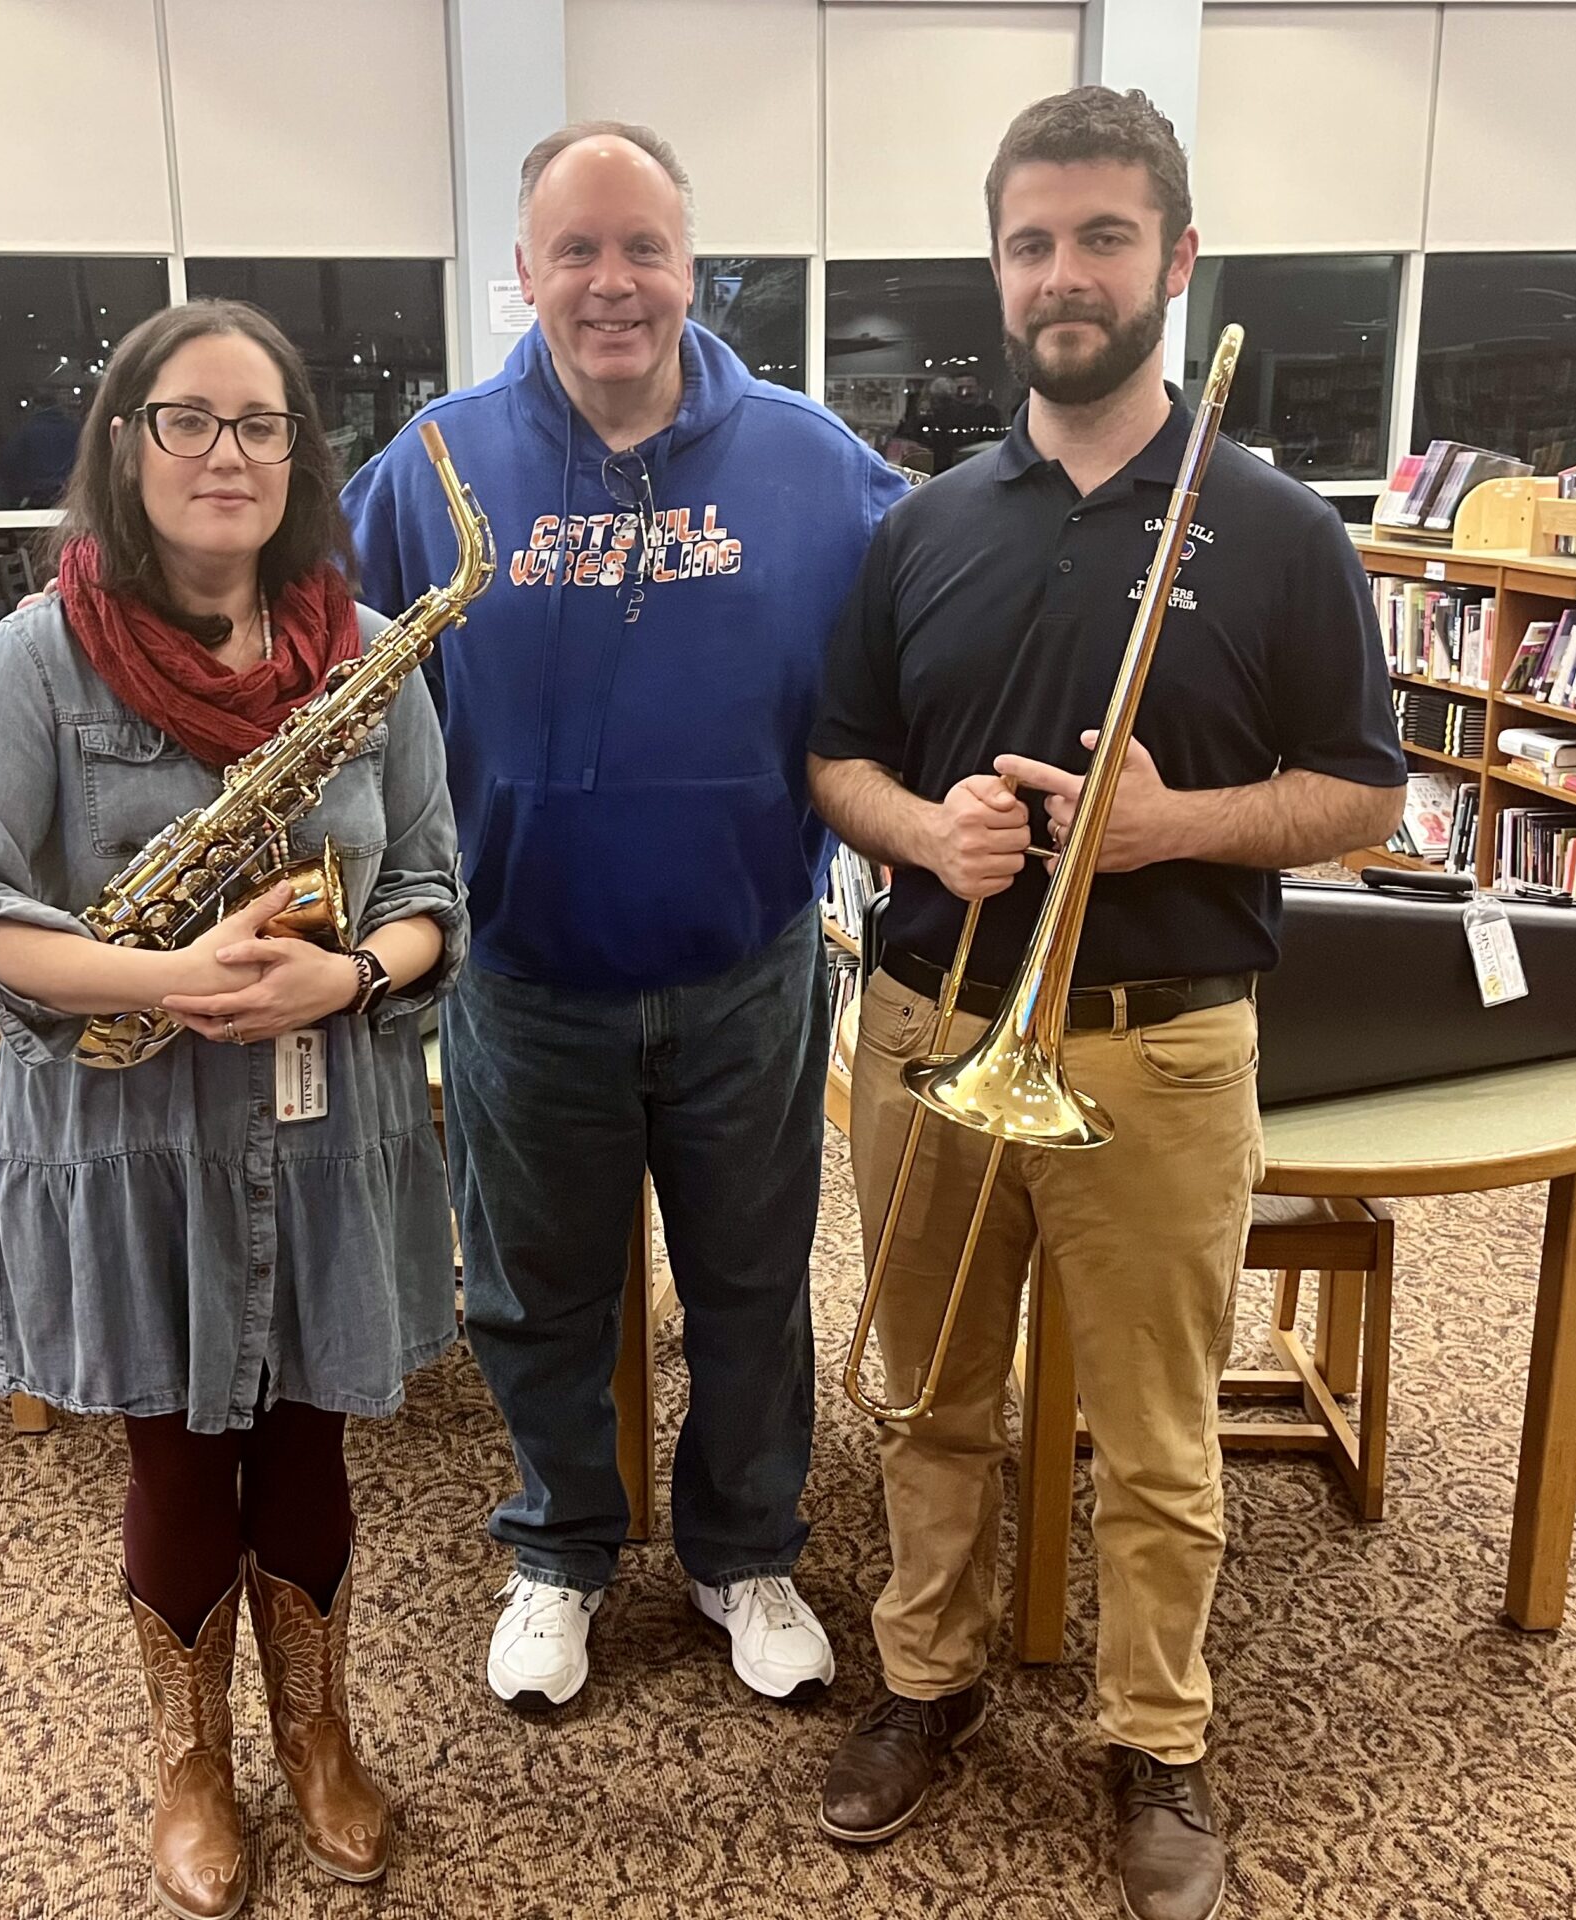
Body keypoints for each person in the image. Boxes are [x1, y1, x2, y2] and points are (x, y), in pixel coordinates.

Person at [805, 88, 1406, 1920]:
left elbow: (1366, 795)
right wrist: (928, 828)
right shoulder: (922, 528)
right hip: (931, 1027)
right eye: (1032, 243)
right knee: (936, 1407)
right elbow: (835, 757)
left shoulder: (1283, 528)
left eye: (1102, 238)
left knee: (1156, 1433)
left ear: (1178, 258)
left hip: (1155, 1047)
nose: (1064, 276)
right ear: (1000, 269)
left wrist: (1172, 826)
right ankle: (929, 1684)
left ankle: (1156, 1740)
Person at [0, 298, 464, 1918]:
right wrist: (156, 980)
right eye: (190, 420)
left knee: (308, 1437)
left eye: (261, 424)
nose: (228, 454)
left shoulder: (363, 657)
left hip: (321, 1118)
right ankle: (191, 1764)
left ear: (301, 453)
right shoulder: (38, 653)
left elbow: (434, 886)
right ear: (128, 445)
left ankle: (320, 1740)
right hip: (130, 1139)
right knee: (174, 1453)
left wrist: (349, 975)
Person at [342, 122, 905, 1714]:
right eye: (575, 251)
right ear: (522, 272)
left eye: (642, 248)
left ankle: (744, 1549)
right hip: (522, 975)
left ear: (690, 266)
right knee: (533, 1289)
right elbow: (324, 665)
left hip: (747, 966)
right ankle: (559, 1548)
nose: (610, 283)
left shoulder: (811, 462)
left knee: (749, 1278)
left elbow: (928, 639)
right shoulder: (434, 463)